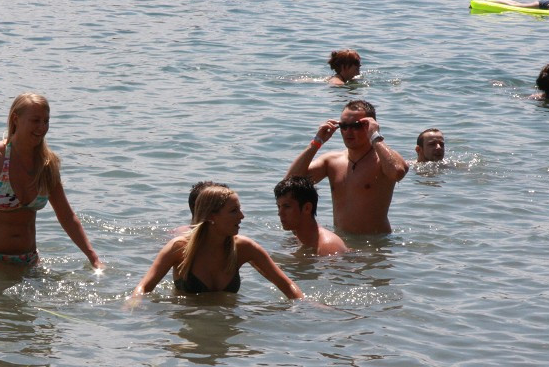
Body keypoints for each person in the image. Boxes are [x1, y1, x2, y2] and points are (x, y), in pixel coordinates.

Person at [0, 93, 103, 269]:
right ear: (16, 119)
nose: (42, 127)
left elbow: (67, 216)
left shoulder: (47, 164)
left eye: (46, 121)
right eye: (35, 120)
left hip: (28, 260)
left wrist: (93, 258)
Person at [132, 185, 303, 299]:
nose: (242, 216)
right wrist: (133, 309)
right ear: (212, 216)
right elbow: (143, 289)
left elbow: (288, 286)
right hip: (188, 319)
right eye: (234, 211)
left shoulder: (244, 247)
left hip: (228, 325)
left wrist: (307, 310)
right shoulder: (179, 247)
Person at [285, 100, 408, 235]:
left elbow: (398, 172)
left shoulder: (383, 160)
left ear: (370, 125)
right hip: (341, 240)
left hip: (374, 244)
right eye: (343, 126)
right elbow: (290, 183)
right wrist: (316, 142)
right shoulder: (331, 161)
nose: (349, 131)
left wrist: (375, 137)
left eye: (356, 126)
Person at [274, 177, 348, 256]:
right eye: (279, 207)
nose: (280, 213)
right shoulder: (298, 239)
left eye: (287, 206)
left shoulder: (328, 246)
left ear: (307, 208)